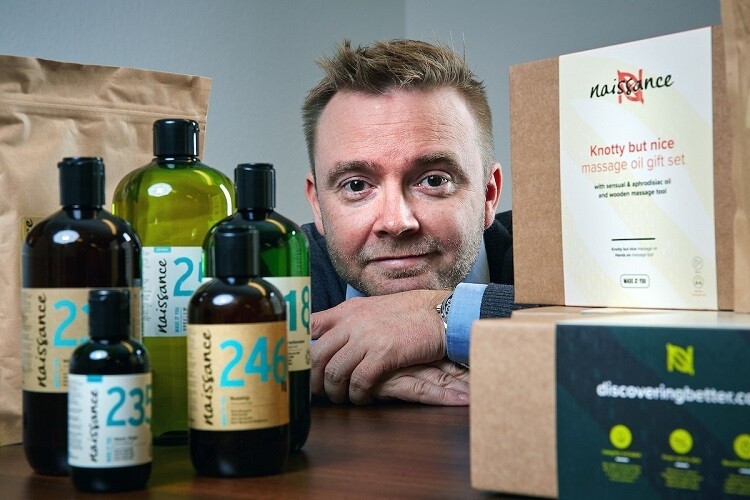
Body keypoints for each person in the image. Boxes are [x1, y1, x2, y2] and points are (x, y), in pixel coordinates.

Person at [301, 38, 525, 407]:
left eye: (433, 180)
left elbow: (638, 329)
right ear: (317, 203)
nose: (396, 221)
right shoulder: (275, 261)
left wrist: (441, 315)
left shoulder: (553, 250)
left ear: (489, 195)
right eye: (356, 185)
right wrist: (334, 365)